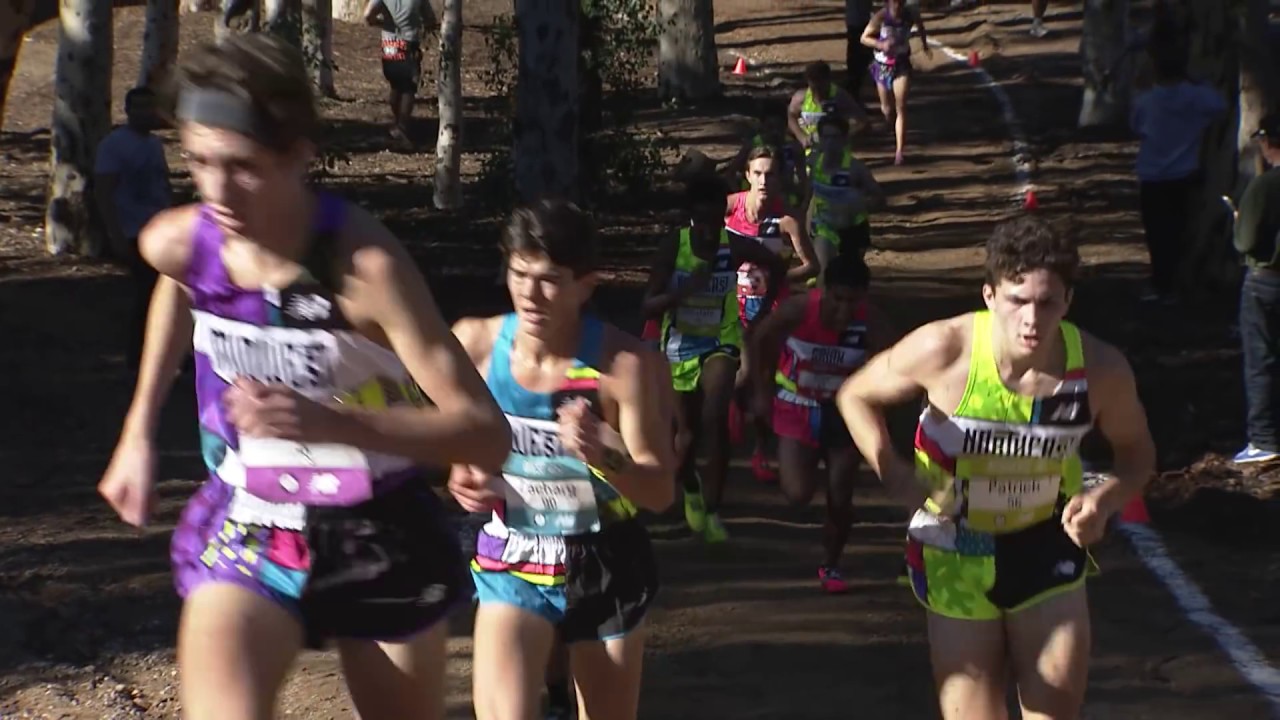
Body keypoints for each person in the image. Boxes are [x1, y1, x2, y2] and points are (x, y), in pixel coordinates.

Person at [96, 35, 511, 720]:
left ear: (298, 155)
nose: (217, 191)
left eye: (243, 167)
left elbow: (485, 434)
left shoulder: (362, 269)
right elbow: (179, 285)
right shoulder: (181, 241)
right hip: (253, 516)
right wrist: (137, 430)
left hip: (378, 524)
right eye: (198, 162)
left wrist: (333, 423)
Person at [837, 215, 1157, 719]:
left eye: (1047, 303)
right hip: (955, 547)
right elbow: (855, 395)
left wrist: (1104, 499)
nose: (1031, 320)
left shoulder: (1100, 370)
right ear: (989, 296)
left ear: (1068, 301)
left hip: (1046, 542)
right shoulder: (945, 350)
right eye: (1017, 301)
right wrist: (892, 471)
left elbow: (1137, 456)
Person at [447, 199, 675, 720]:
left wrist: (604, 453)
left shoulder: (625, 367)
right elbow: (456, 444)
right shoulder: (475, 344)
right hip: (513, 551)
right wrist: (463, 473)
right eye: (519, 274)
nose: (530, 294)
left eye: (549, 280)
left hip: (604, 557)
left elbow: (661, 491)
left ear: (585, 285)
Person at [643, 175, 787, 542]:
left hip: (721, 340)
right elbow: (648, 305)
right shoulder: (674, 247)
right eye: (701, 222)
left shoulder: (733, 245)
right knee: (685, 436)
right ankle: (690, 486)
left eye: (714, 221)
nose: (709, 231)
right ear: (691, 218)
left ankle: (712, 509)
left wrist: (761, 316)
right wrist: (684, 291)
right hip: (679, 345)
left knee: (715, 417)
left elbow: (776, 264)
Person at [751, 253, 891, 594]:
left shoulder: (872, 321)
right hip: (797, 406)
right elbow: (759, 340)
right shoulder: (797, 310)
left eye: (853, 302)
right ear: (824, 291)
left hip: (846, 412)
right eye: (838, 299)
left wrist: (877, 402)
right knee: (797, 493)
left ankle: (831, 563)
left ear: (864, 298)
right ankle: (773, 451)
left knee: (840, 496)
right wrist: (761, 390)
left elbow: (897, 363)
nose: (844, 310)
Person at [728, 145, 819, 483]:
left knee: (763, 378)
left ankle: (761, 450)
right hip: (731, 305)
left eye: (770, 174)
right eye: (758, 173)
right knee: (737, 372)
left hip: (771, 308)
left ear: (779, 178)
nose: (764, 180)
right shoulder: (729, 207)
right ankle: (734, 408)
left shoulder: (786, 221)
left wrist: (777, 277)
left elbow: (812, 266)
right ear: (747, 176)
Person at [1130, 45, 1226, 303]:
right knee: (1182, 230)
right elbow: (1220, 104)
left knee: (1157, 232)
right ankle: (1180, 283)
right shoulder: (1196, 97)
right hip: (1185, 173)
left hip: (1152, 175)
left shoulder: (1146, 100)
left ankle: (1161, 283)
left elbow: (1135, 125)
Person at [94, 86, 173, 371]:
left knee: (164, 294)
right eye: (138, 107)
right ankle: (138, 357)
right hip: (133, 230)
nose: (145, 113)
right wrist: (115, 234)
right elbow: (103, 191)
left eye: (149, 107)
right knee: (147, 296)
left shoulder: (154, 144)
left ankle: (166, 353)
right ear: (127, 110)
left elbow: (162, 184)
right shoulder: (114, 145)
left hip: (159, 229)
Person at [1230, 113, 1280, 465]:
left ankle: (1264, 438)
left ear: (1268, 143)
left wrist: (1238, 223)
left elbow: (1246, 240)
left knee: (1262, 360)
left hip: (1268, 280)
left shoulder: (1265, 187)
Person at [805, 114, 885, 270]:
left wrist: (857, 204)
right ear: (820, 139)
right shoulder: (812, 163)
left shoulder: (856, 168)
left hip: (853, 228)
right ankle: (818, 287)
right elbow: (806, 196)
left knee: (850, 275)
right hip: (824, 227)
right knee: (823, 270)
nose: (830, 143)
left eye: (835, 137)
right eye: (826, 137)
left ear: (844, 140)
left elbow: (879, 198)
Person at [861, 0, 932, 166]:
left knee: (901, 106)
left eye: (900, 2)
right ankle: (890, 123)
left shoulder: (910, 14)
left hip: (901, 64)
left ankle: (900, 151)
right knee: (887, 109)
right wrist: (880, 44)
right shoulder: (880, 17)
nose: (897, 6)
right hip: (882, 66)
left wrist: (925, 45)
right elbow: (864, 38)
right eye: (894, 2)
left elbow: (921, 26)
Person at [362, 0, 427, 147]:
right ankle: (402, 127)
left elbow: (367, 15)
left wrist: (382, 23)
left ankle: (398, 122)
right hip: (409, 45)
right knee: (408, 88)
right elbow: (430, 19)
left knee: (396, 84)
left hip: (390, 45)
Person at [725, 99, 807, 210]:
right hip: (754, 201)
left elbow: (803, 179)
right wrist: (741, 197)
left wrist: (801, 200)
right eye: (770, 127)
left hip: (784, 200)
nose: (775, 132)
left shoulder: (793, 147)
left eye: (779, 127)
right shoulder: (753, 145)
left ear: (785, 126)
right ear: (762, 126)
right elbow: (731, 173)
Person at [787, 61, 868, 154]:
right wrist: (802, 137)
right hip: (811, 151)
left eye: (821, 85)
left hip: (836, 153)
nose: (818, 91)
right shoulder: (801, 98)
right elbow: (791, 115)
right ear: (808, 82)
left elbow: (861, 121)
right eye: (814, 86)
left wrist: (841, 135)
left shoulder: (840, 97)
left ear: (828, 80)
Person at [846, 0, 875, 104]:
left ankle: (856, 88)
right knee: (857, 57)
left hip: (861, 20)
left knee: (861, 56)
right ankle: (854, 90)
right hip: (857, 22)